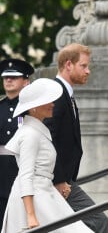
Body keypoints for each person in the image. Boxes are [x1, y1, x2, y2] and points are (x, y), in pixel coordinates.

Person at [1, 78, 94, 232]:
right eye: (47, 101)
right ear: (34, 108)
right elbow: (25, 175)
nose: (52, 104)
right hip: (36, 199)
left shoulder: (36, 131)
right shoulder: (29, 134)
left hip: (45, 194)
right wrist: (30, 215)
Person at [44, 43, 108, 232]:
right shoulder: (56, 93)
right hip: (59, 181)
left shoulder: (65, 94)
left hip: (65, 180)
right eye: (84, 66)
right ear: (68, 65)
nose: (88, 71)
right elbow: (48, 138)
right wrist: (59, 179)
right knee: (100, 223)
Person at [0, 58, 34, 233]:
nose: (8, 80)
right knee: (3, 226)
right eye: (5, 78)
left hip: (24, 176)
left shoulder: (31, 109)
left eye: (14, 77)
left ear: (26, 81)